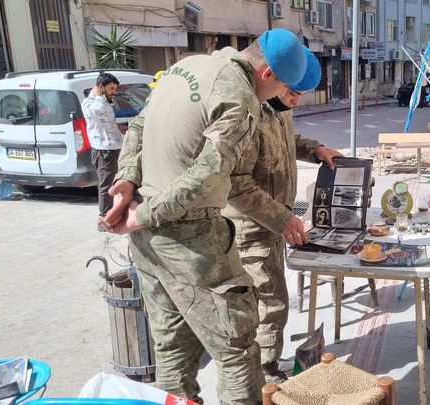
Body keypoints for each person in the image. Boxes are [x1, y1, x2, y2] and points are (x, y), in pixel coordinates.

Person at [100, 28, 307, 404]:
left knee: (173, 352)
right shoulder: (240, 99)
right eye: (283, 88)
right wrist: (143, 214)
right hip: (190, 241)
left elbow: (139, 127)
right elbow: (206, 177)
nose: (280, 98)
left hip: (147, 243)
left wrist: (126, 181)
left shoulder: (186, 66)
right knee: (239, 352)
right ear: (267, 74)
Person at [223, 46, 343, 384]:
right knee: (269, 303)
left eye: (301, 95)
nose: (295, 101)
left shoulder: (278, 109)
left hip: (273, 225)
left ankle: (265, 362)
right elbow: (236, 182)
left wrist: (315, 149)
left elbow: (289, 139)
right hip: (250, 229)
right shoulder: (246, 113)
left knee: (271, 301)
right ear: (273, 79)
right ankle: (263, 373)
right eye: (291, 92)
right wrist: (282, 218)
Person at [81, 73, 123, 230]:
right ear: (100, 87)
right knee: (106, 184)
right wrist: (98, 96)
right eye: (111, 88)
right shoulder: (90, 103)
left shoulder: (105, 101)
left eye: (115, 88)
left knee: (116, 181)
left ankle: (114, 214)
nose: (114, 91)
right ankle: (103, 219)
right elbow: (98, 112)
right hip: (103, 150)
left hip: (114, 146)